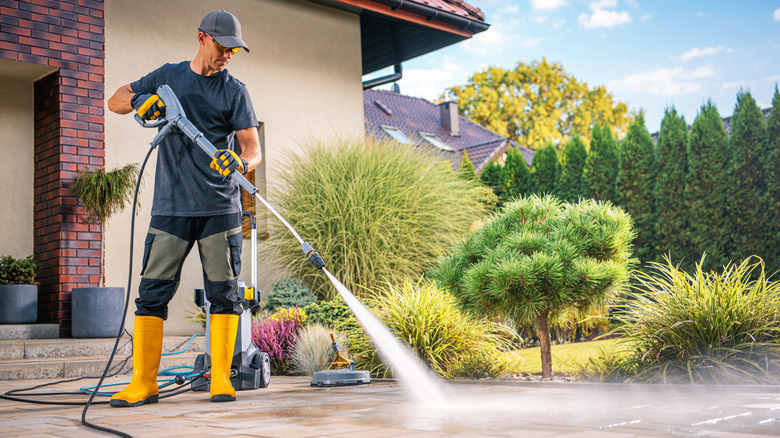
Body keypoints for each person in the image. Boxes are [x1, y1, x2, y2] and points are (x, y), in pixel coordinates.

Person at [106, 10, 261, 407]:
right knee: (152, 293)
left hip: (219, 207)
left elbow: (252, 147)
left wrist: (241, 163)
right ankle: (144, 383)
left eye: (234, 50)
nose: (228, 55)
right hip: (171, 205)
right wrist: (142, 101)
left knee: (224, 295)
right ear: (202, 38)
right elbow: (115, 99)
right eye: (223, 47)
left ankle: (222, 380)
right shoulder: (169, 76)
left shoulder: (234, 91)